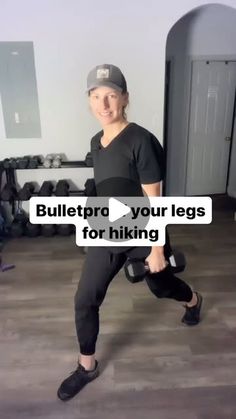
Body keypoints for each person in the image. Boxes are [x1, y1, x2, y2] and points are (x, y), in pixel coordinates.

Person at [57, 64, 203, 401]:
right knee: (85, 299)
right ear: (89, 100)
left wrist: (155, 249)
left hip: (144, 233)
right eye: (96, 96)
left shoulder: (140, 140)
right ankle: (86, 366)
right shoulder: (97, 141)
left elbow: (155, 201)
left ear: (125, 98)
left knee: (160, 286)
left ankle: (193, 300)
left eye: (110, 95)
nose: (103, 104)